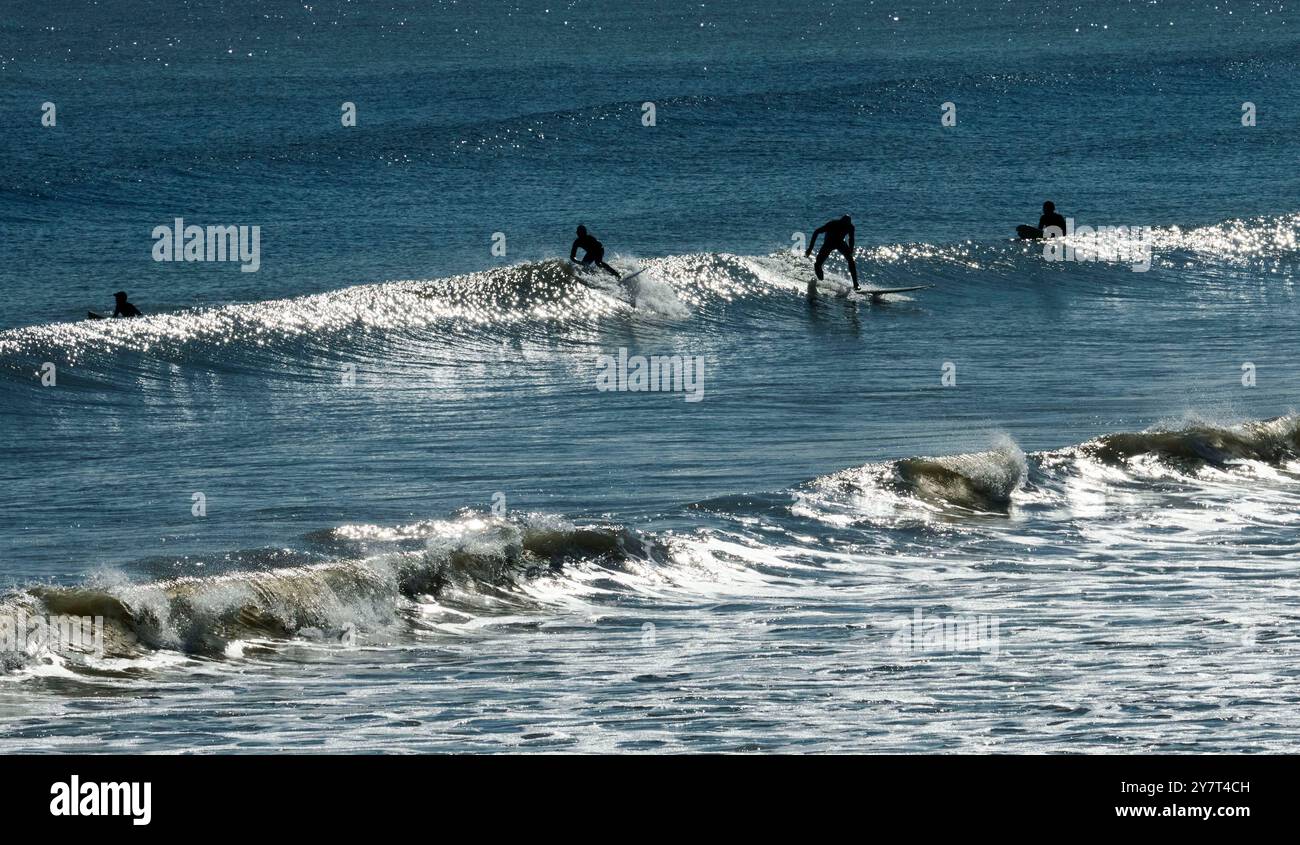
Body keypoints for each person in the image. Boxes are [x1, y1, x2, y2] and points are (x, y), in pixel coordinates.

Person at [806, 215, 859, 290]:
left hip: (840, 242)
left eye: (847, 224)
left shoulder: (850, 227)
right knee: (818, 264)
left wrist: (850, 250)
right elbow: (816, 232)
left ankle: (856, 284)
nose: (845, 226)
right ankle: (819, 279)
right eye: (843, 224)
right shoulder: (832, 224)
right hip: (829, 242)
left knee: (851, 261)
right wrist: (810, 248)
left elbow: (851, 239)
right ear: (840, 222)